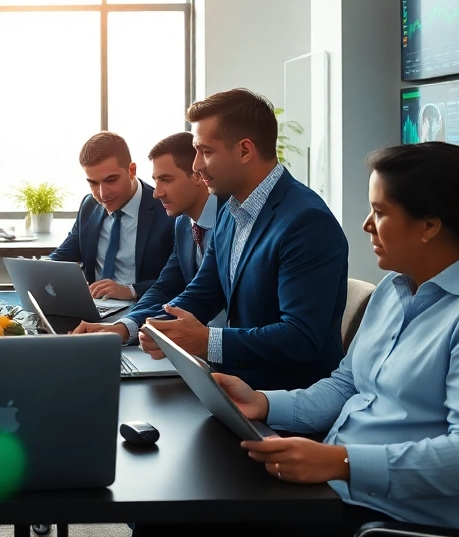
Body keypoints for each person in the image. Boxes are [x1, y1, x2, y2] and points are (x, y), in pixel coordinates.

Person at [132, 142, 459, 537]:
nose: (366, 225)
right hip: (346, 495)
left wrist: (341, 462)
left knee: (184, 530)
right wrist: (265, 403)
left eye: (380, 212)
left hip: (409, 532)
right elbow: (348, 385)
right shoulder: (396, 290)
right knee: (170, 519)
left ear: (429, 225)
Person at [133, 89, 348, 391]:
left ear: (245, 150)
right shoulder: (230, 209)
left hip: (284, 404)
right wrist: (160, 326)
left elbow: (300, 338)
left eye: (205, 152)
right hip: (233, 388)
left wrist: (209, 342)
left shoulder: (306, 221)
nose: (196, 166)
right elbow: (204, 291)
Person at [74, 132, 221, 340]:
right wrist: (125, 327)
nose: (157, 192)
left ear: (198, 174)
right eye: (156, 180)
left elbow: (199, 294)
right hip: (190, 338)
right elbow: (167, 287)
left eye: (166, 180)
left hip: (231, 348)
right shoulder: (184, 224)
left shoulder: (229, 221)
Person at [49, 132, 173, 301]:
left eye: (111, 180)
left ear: (132, 170)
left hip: (143, 308)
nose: (102, 193)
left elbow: (179, 279)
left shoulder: (167, 209)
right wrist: (39, 270)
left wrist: (131, 290)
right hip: (95, 309)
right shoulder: (89, 205)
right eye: (93, 183)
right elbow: (63, 257)